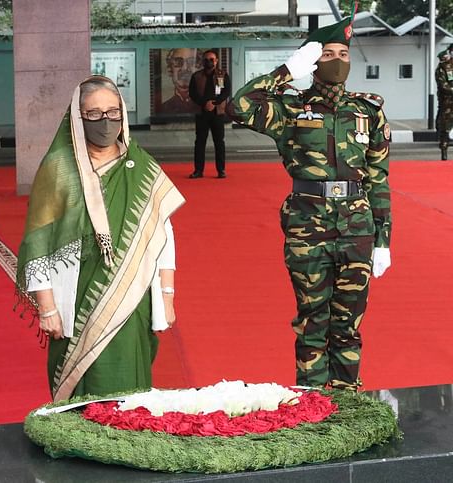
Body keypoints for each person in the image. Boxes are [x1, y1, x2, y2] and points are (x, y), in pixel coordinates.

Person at [227, 11, 392, 391]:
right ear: (312, 60)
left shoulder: (368, 110)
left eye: (344, 54)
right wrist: (286, 70)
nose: (338, 61)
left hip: (357, 227)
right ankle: (314, 403)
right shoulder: (289, 109)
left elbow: (379, 178)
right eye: (328, 54)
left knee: (348, 324)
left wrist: (384, 238)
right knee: (313, 322)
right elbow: (240, 106)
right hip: (308, 226)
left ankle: (347, 404)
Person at [16, 76, 185, 402]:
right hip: (78, 295)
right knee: (83, 384)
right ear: (77, 119)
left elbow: (163, 234)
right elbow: (37, 241)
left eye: (112, 112)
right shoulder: (59, 169)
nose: (105, 122)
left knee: (130, 387)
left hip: (133, 296)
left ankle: (128, 443)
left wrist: (166, 295)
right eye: (93, 115)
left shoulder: (142, 166)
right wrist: (47, 308)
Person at [188, 49, 231, 178]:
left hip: (217, 113)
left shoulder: (222, 75)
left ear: (216, 61)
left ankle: (221, 170)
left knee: (219, 142)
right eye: (206, 60)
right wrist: (204, 104)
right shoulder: (196, 76)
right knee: (200, 142)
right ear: (202, 61)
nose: (208, 62)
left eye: (211, 59)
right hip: (202, 113)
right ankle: (198, 171)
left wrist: (215, 103)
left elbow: (226, 92)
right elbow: (192, 93)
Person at [160, 48, 198, 114]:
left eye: (191, 62)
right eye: (178, 62)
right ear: (170, 69)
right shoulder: (164, 108)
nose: (184, 68)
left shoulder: (204, 105)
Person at [435, 48, 453, 160]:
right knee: (445, 127)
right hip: (447, 102)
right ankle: (444, 150)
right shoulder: (442, 67)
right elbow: (442, 84)